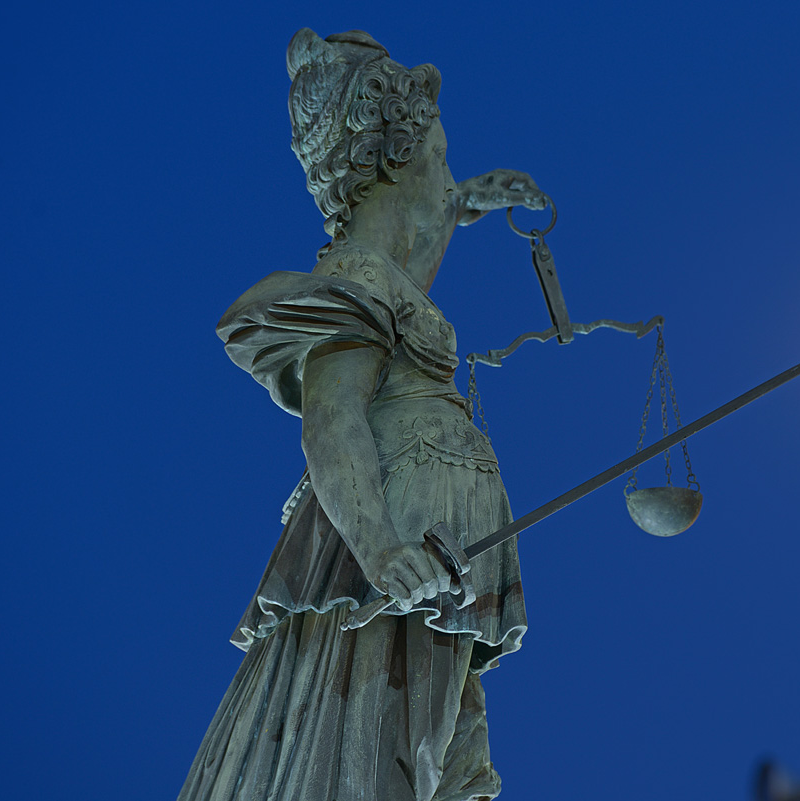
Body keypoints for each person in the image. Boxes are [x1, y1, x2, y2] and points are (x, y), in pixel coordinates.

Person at [179, 28, 544, 801]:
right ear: (395, 158)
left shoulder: (388, 276)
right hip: (401, 548)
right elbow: (331, 418)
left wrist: (469, 200)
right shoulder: (358, 279)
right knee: (379, 749)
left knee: (436, 756)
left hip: (437, 560)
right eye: (441, 159)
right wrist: (378, 548)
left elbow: (419, 231)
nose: (448, 184)